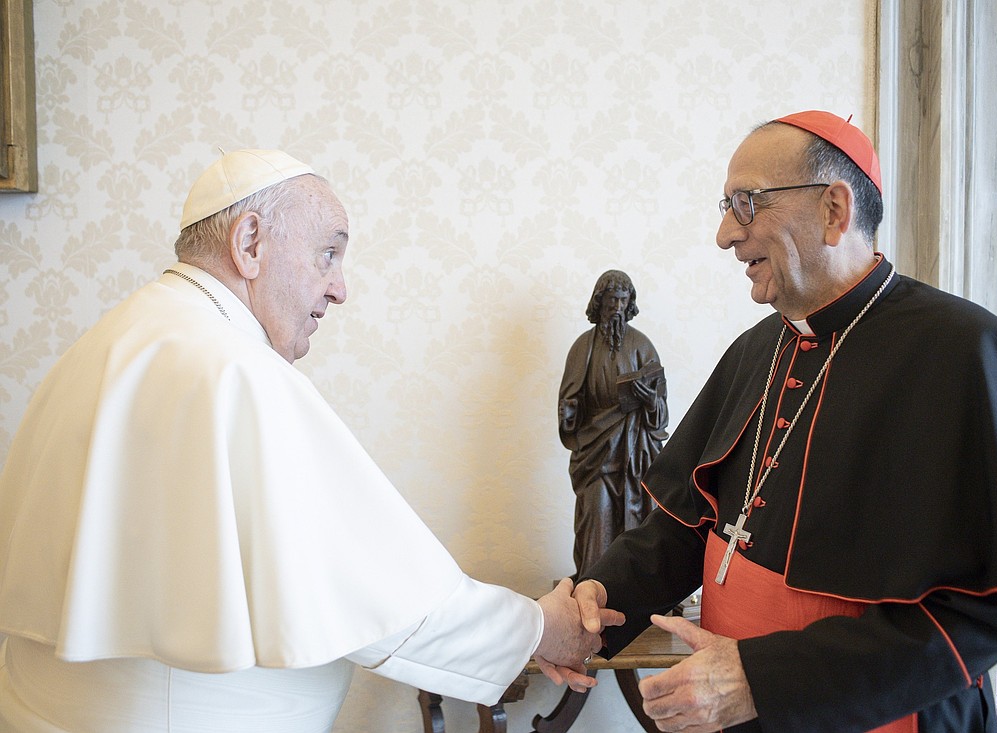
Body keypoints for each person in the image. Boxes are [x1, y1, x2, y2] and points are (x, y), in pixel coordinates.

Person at [0, 149, 620, 732]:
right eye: (328, 254)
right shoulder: (231, 368)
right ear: (250, 243)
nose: (339, 288)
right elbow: (373, 585)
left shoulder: (116, 339)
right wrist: (537, 629)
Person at [571, 111, 997, 732]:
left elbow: (987, 611)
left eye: (747, 203)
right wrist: (597, 597)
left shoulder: (966, 353)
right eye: (726, 204)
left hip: (880, 714)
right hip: (735, 708)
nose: (723, 234)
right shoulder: (755, 349)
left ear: (833, 209)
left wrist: (763, 679)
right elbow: (690, 525)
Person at [558, 270, 668, 577]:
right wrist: (568, 413)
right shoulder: (583, 347)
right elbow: (570, 400)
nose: (617, 307)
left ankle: (632, 587)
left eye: (623, 300)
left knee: (636, 522)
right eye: (611, 300)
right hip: (595, 453)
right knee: (597, 515)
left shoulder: (642, 346)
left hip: (635, 452)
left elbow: (660, 412)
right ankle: (592, 587)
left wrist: (648, 400)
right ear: (599, 302)